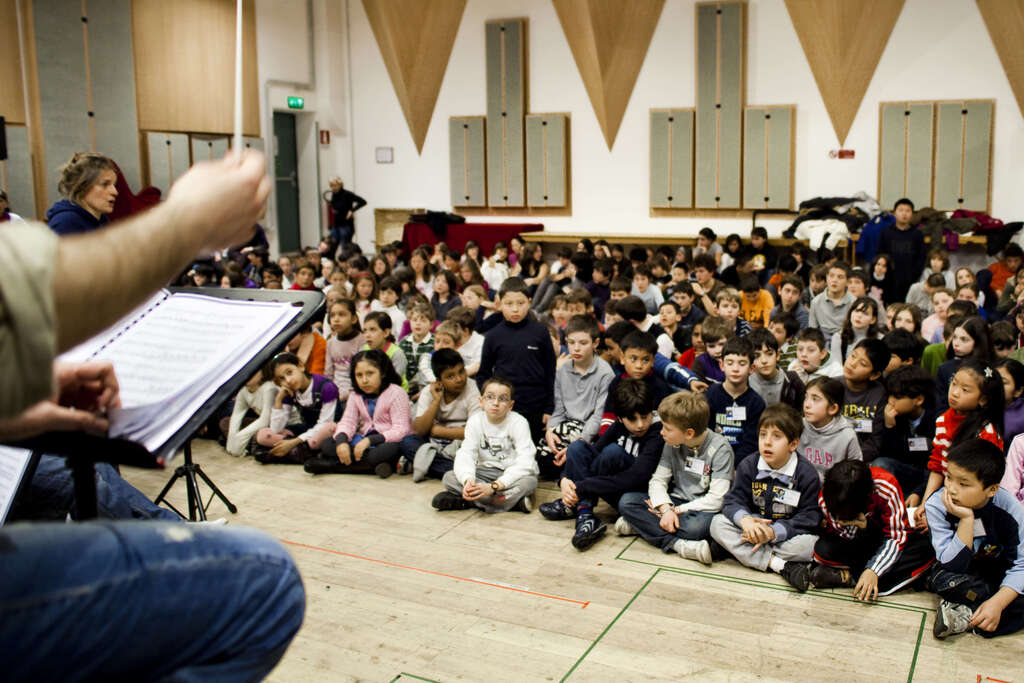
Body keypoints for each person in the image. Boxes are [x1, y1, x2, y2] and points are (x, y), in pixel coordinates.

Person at [0, 151, 305, 681]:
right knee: (266, 580)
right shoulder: (68, 225)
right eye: (104, 184)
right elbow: (32, 296)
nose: (114, 191)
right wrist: (188, 221)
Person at [706, 404, 823, 592]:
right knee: (717, 524)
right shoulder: (749, 465)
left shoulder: (806, 474)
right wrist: (745, 521)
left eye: (777, 436)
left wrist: (774, 532)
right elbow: (733, 500)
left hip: (784, 535)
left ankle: (735, 550)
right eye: (763, 435)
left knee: (812, 546)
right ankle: (779, 565)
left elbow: (810, 517)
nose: (767, 442)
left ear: (793, 444)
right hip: (752, 528)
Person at [542, 379, 664, 550]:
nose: (640, 424)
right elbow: (592, 452)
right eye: (632, 419)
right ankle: (585, 514)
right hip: (613, 486)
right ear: (620, 418)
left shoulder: (658, 431)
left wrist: (581, 487)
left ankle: (577, 506)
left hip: (638, 493)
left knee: (613, 453)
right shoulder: (619, 424)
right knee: (577, 448)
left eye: (645, 416)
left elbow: (636, 477)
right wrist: (564, 480)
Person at [617, 391, 735, 563]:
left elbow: (717, 499)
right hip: (675, 501)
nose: (661, 432)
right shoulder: (671, 443)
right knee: (627, 502)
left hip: (700, 510)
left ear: (689, 433)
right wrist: (666, 508)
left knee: (697, 528)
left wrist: (676, 511)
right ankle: (678, 544)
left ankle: (642, 526)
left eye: (667, 428)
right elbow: (658, 481)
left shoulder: (721, 449)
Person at [926, 439, 1024, 639]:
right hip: (962, 575)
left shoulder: (1010, 509)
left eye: (963, 484)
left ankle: (966, 614)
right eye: (949, 478)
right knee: (942, 579)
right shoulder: (937, 505)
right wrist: (966, 520)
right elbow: (952, 564)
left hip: (998, 571)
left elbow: (1021, 564)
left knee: (1012, 592)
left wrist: (999, 602)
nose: (951, 488)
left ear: (992, 489)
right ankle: (981, 613)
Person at [811, 460, 935, 598]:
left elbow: (896, 536)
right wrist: (857, 526)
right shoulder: (826, 499)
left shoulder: (886, 486)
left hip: (884, 538)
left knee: (926, 547)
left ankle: (852, 577)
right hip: (859, 544)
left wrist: (874, 570)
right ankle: (870, 578)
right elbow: (846, 538)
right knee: (822, 549)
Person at [912, 361, 1004, 530]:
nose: (954, 392)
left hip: (975, 500)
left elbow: (980, 485)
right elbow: (937, 467)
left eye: (965, 390)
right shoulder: (943, 420)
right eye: (954, 383)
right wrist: (926, 503)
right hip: (948, 491)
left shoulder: (986, 433)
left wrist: (941, 517)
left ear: (983, 399)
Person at [432, 376, 538, 513]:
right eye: (490, 397)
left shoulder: (519, 422)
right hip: (485, 472)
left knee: (529, 483)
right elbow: (466, 453)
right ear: (481, 401)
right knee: (449, 478)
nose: (495, 403)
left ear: (510, 405)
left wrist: (495, 486)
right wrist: (468, 481)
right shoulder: (475, 421)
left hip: (511, 473)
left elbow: (526, 461)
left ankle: (470, 501)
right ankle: (506, 502)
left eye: (502, 399)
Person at [305, 350, 411, 476]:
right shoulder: (355, 395)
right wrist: (342, 441)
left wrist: (370, 440)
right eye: (359, 375)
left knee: (383, 452)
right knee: (328, 444)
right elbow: (348, 422)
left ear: (382, 373)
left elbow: (401, 430)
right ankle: (376, 467)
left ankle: (330, 466)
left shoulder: (396, 393)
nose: (364, 380)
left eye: (370, 373)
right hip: (362, 440)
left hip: (386, 441)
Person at [477, 277, 556, 444]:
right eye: (509, 303)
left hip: (536, 406)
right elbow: (483, 373)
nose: (515, 309)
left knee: (532, 452)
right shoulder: (493, 336)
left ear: (529, 302)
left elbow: (550, 372)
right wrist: (490, 399)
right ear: (500, 304)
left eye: (520, 303)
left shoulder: (540, 332)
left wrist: (549, 408)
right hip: (504, 407)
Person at [539, 315, 614, 469]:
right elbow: (559, 409)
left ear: (595, 343)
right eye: (571, 342)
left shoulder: (605, 374)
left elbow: (598, 416)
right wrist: (550, 431)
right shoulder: (563, 371)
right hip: (565, 427)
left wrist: (578, 443)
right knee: (544, 458)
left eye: (583, 343)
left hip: (589, 431)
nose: (576, 348)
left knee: (570, 457)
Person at [399, 348, 480, 481]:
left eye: (461, 371)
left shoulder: (472, 389)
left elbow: (475, 432)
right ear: (439, 380)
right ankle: (458, 471)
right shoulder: (429, 392)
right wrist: (436, 401)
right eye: (450, 376)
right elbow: (419, 430)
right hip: (435, 444)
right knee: (407, 442)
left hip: (461, 445)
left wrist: (438, 431)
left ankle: (424, 464)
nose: (459, 379)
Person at [254, 352, 338, 464]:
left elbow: (325, 423)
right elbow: (276, 429)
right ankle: (300, 452)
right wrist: (278, 400)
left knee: (321, 435)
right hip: (307, 429)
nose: (288, 380)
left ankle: (285, 453)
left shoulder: (326, 387)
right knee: (263, 435)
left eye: (289, 372)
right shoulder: (289, 391)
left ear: (300, 366)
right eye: (282, 378)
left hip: (326, 431)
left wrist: (294, 442)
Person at [704, 336, 765, 464]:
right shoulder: (711, 395)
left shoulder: (756, 403)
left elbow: (751, 443)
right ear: (722, 365)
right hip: (712, 458)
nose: (735, 368)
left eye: (742, 364)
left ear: (752, 368)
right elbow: (705, 432)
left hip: (741, 464)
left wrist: (736, 466)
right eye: (730, 363)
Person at [799, 377, 862, 483]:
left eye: (815, 399)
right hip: (801, 484)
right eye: (806, 397)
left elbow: (857, 470)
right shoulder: (799, 425)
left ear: (832, 408)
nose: (807, 404)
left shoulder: (847, 435)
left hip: (831, 488)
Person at [840, 339, 889, 462]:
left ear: (874, 375)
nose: (852, 364)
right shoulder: (832, 386)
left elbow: (875, 443)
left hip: (860, 458)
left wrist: (850, 458)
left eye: (862, 364)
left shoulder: (880, 396)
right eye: (853, 356)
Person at [45, 153, 118, 235]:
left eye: (114, 185)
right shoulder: (65, 223)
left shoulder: (101, 221)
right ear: (82, 186)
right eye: (104, 184)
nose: (115, 192)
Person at [876, 198, 925, 302]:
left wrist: (914, 275)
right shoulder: (886, 233)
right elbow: (880, 255)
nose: (904, 214)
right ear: (894, 213)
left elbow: (921, 257)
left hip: (910, 279)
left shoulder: (917, 234)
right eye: (901, 210)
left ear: (912, 214)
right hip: (889, 279)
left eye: (907, 211)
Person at [747, 328, 805, 409]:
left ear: (778, 355)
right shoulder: (745, 383)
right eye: (756, 356)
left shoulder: (792, 380)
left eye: (769, 354)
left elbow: (803, 411)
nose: (764, 360)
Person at [808, 262, 854, 345]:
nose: (834, 280)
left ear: (847, 281)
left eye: (840, 277)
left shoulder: (853, 302)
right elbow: (813, 330)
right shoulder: (816, 301)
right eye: (831, 276)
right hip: (822, 342)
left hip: (846, 340)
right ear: (826, 277)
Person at [325, 176, 366, 246]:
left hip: (346, 225)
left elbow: (363, 202)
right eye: (331, 185)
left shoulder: (347, 194)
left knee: (345, 246)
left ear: (340, 184)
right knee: (331, 245)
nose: (333, 187)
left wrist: (352, 210)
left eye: (335, 185)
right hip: (336, 224)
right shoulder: (334, 194)